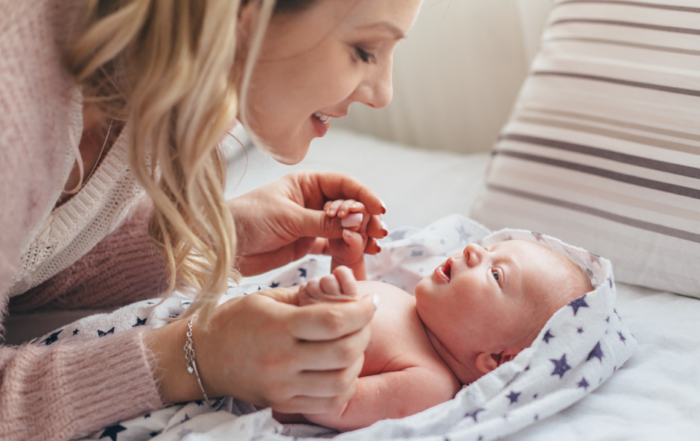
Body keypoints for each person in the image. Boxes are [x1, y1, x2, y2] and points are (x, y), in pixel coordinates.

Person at [0, 0, 422, 439]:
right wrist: (195, 360)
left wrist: (209, 237)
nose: (383, 93)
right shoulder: (12, 97)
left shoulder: (156, 85)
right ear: (244, 13)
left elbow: (30, 260)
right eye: (365, 49)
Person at [277, 202, 593, 431]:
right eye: (490, 250)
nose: (473, 250)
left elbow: (339, 405)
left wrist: (324, 332)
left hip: (260, 367)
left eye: (496, 274)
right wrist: (347, 262)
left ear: (497, 359)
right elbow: (358, 299)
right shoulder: (410, 307)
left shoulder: (431, 383)